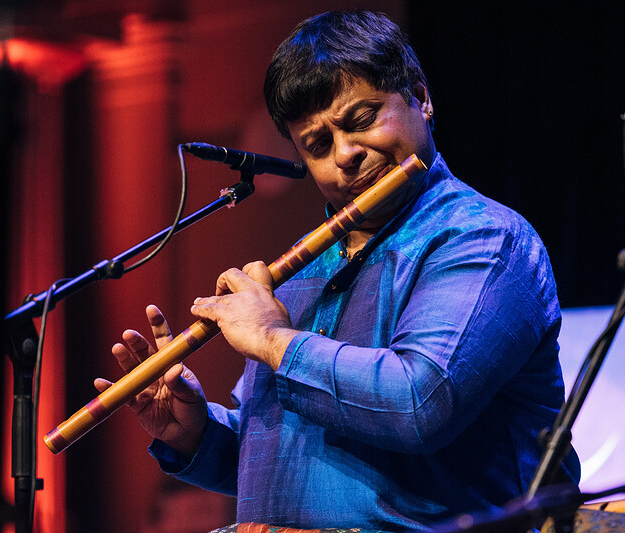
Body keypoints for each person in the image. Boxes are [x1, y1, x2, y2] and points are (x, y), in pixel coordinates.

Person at [94, 9, 580, 531]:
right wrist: (193, 431)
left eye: (362, 119)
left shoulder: (481, 238)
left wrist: (274, 339)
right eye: (318, 145)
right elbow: (284, 460)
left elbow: (420, 403)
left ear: (421, 97)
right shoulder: (302, 266)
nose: (345, 155)